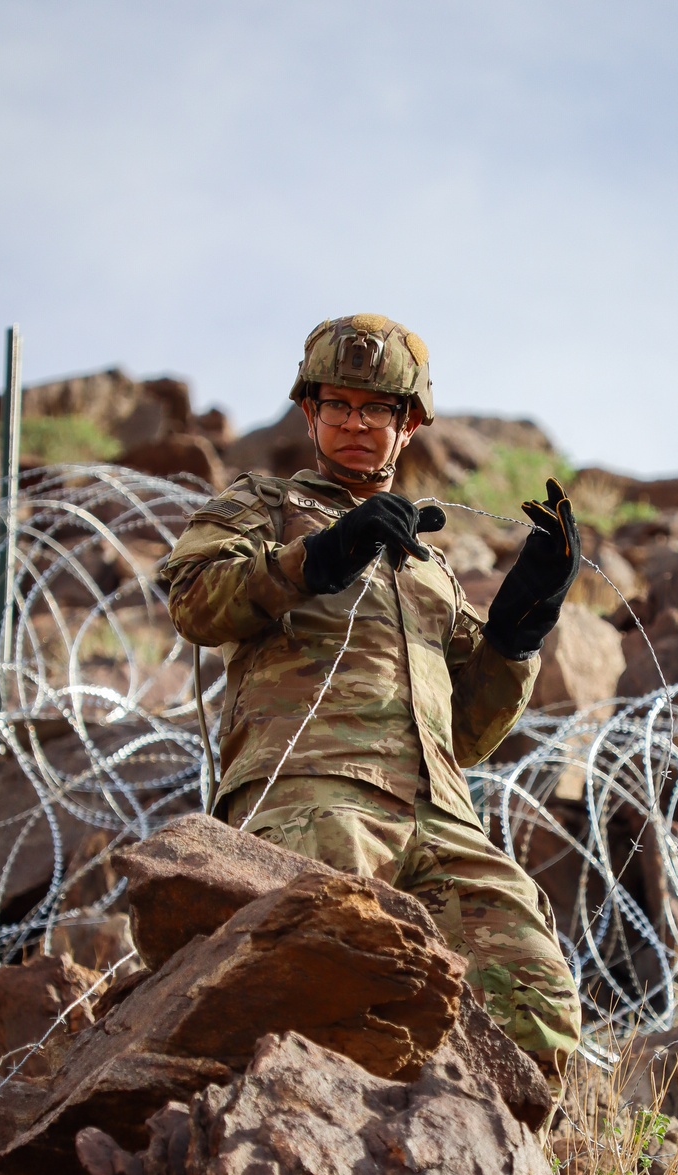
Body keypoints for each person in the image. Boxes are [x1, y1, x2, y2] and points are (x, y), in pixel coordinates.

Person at [162, 313, 582, 1059]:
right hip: (313, 793)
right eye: (338, 405)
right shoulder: (264, 506)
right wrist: (319, 556)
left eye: (377, 409)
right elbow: (194, 600)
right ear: (310, 413)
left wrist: (518, 630)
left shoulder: (428, 566)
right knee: (320, 989)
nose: (355, 423)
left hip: (440, 818)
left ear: (408, 424)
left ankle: (472, 1134)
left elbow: (466, 734)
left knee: (535, 1000)